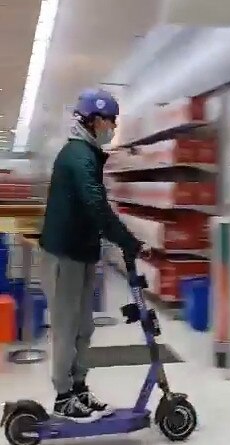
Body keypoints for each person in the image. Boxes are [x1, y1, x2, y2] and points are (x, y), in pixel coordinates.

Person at [40, 89, 143, 423]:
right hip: (65, 255)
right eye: (111, 121)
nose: (113, 127)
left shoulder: (88, 154)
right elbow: (95, 205)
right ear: (97, 120)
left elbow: (94, 209)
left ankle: (79, 388)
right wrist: (126, 239)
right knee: (67, 327)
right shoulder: (78, 156)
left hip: (82, 253)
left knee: (84, 326)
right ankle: (63, 398)